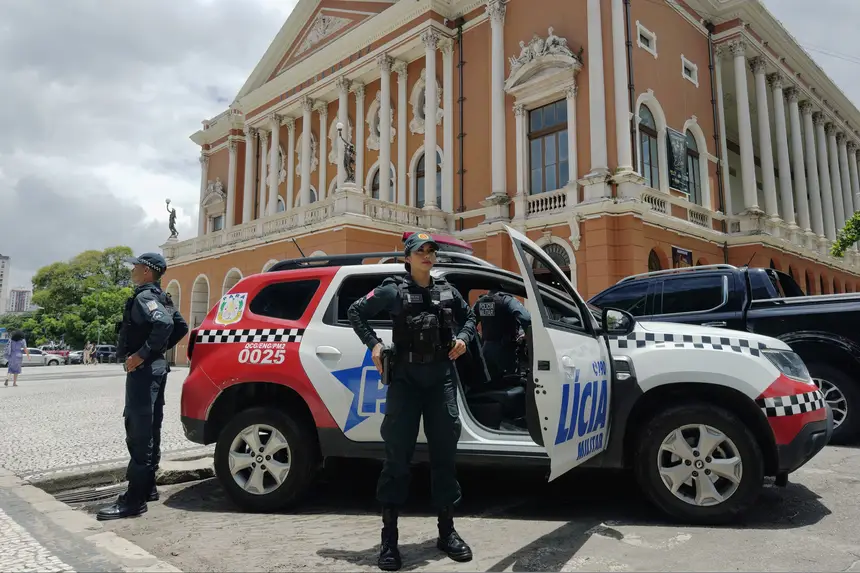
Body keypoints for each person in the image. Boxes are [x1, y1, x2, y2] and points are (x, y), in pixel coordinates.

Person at [348, 232, 477, 571]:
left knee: (444, 456)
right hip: (405, 381)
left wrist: (464, 338)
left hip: (440, 379)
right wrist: (375, 345)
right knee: (397, 458)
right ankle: (389, 540)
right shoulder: (393, 289)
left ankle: (447, 533)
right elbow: (356, 312)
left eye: (431, 250)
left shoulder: (447, 290)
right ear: (407, 257)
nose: (427, 255)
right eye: (420, 251)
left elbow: (470, 317)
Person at [97, 252, 188, 521]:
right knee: (151, 428)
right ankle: (148, 487)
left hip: (144, 372)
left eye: (136, 266)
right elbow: (181, 327)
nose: (132, 269)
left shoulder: (145, 297)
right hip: (157, 369)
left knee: (138, 431)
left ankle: (134, 500)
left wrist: (143, 354)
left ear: (147, 271)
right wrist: (158, 351)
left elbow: (165, 323)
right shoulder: (162, 297)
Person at [472, 290, 531, 384]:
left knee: (490, 383)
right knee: (510, 383)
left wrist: (478, 340)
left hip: (485, 350)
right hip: (505, 350)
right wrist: (527, 335)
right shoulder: (506, 300)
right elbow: (526, 318)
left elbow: (469, 322)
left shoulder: (480, 302)